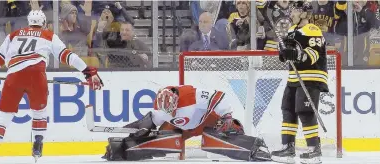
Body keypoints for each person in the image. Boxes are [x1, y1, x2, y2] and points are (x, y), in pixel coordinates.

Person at [0, 10, 103, 163]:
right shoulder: (48, 35)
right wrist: (88, 72)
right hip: (37, 76)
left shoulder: (14, 35)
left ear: (29, 22)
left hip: (14, 76)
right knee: (39, 111)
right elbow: (68, 56)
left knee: (4, 114)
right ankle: (37, 146)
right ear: (43, 23)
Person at [101, 85, 272, 161]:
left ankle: (252, 148)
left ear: (176, 101)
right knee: (160, 139)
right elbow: (150, 121)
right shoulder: (160, 106)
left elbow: (219, 97)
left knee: (217, 136)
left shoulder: (191, 95)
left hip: (205, 121)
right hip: (183, 128)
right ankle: (120, 149)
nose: (170, 112)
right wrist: (137, 129)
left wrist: (226, 117)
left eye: (172, 109)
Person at [271, 1, 327, 164]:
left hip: (311, 77)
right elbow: (289, 54)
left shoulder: (312, 30)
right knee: (288, 110)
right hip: (294, 78)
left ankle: (314, 150)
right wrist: (283, 52)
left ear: (304, 13)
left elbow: (313, 54)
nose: (291, 13)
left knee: (305, 112)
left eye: (295, 10)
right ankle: (288, 148)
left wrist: (295, 54)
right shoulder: (291, 30)